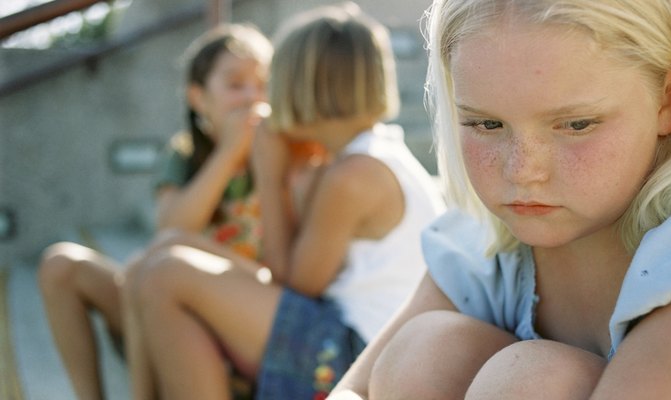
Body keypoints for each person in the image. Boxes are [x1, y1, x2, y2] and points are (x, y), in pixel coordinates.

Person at [329, 0, 671, 399]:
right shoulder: (489, 247)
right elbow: (355, 390)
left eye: (576, 124)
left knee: (531, 384)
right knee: (425, 352)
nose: (522, 170)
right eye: (486, 123)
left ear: (670, 96)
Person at [123, 3, 445, 400]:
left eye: (273, 81)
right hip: (353, 337)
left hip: (358, 357)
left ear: (305, 89)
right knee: (167, 250)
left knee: (165, 276)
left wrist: (270, 176)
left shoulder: (353, 176)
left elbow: (293, 283)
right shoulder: (366, 154)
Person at [36, 23, 273, 400]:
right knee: (60, 264)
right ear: (198, 98)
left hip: (234, 308)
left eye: (262, 85)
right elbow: (172, 226)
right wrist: (228, 154)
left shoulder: (280, 155)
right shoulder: (184, 153)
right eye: (235, 84)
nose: (251, 97)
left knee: (154, 271)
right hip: (168, 297)